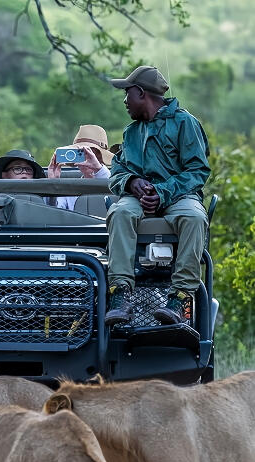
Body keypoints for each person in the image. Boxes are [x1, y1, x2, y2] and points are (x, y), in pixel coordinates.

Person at [104, 65, 210, 326]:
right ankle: (121, 295)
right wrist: (132, 181)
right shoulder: (131, 132)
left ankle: (180, 298)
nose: (125, 101)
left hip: (178, 195)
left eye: (127, 93)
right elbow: (117, 171)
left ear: (141, 93)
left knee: (194, 218)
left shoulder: (185, 123)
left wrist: (162, 192)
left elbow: (198, 170)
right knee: (119, 212)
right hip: (138, 198)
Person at [47, 125, 114, 210]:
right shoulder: (70, 190)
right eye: (80, 153)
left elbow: (114, 189)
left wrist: (98, 168)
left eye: (90, 153)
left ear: (100, 157)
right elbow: (55, 213)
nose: (87, 158)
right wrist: (53, 183)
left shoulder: (117, 180)